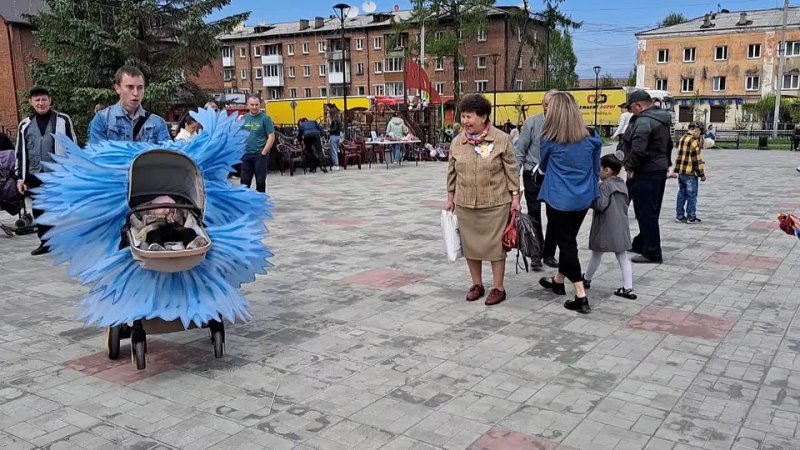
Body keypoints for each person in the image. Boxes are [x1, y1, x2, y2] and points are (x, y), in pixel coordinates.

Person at [444, 94, 520, 306]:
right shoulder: (458, 142)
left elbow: (512, 171)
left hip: (495, 203)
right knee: (471, 247)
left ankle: (498, 287)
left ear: (484, 116)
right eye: (463, 116)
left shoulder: (501, 139)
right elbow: (451, 173)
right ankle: (476, 284)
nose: (465, 121)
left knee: (496, 248)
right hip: (467, 203)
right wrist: (450, 198)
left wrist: (516, 198)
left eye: (469, 117)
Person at [536, 91, 601, 315]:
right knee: (568, 238)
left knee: (567, 244)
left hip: (558, 197)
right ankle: (557, 281)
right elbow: (595, 170)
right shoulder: (592, 137)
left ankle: (581, 295)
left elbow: (543, 167)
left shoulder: (549, 139)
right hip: (583, 197)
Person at [15, 86, 78, 255]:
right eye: (37, 100)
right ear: (31, 102)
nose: (40, 103)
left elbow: (72, 146)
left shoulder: (62, 120)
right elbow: (20, 152)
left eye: (44, 99)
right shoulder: (25, 125)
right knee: (39, 210)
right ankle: (46, 243)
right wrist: (20, 178)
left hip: (58, 173)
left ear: (50, 100)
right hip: (35, 174)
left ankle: (65, 243)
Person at [619, 90, 673, 264]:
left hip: (645, 170)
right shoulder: (662, 119)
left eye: (631, 108)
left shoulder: (643, 121)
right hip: (658, 168)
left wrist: (630, 168)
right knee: (651, 210)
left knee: (645, 212)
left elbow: (638, 148)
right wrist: (666, 164)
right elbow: (669, 145)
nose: (630, 112)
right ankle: (641, 243)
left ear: (639, 105)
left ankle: (652, 252)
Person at [516, 89, 559, 270]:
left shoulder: (563, 124)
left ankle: (549, 252)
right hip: (532, 174)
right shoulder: (532, 123)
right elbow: (520, 151)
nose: (548, 107)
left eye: (552, 104)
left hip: (554, 176)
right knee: (534, 214)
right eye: (546, 103)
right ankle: (535, 252)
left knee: (555, 215)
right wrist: (514, 181)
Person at [583, 154, 636, 300]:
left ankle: (587, 279)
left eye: (600, 168)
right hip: (621, 225)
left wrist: (591, 197)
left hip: (605, 225)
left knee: (597, 253)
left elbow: (600, 205)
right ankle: (628, 286)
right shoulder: (622, 184)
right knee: (622, 256)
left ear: (607, 170)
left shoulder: (605, 185)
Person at [88, 66, 170, 144]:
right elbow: (98, 157)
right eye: (130, 87)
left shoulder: (158, 123)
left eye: (140, 87)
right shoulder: (102, 120)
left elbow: (167, 156)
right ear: (117, 88)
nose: (136, 93)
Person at [240, 95, 276, 192]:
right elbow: (237, 135)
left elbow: (271, 137)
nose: (254, 107)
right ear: (248, 105)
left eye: (256, 105)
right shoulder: (243, 118)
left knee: (260, 182)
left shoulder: (265, 119)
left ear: (260, 105)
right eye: (252, 105)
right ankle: (244, 204)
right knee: (244, 183)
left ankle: (260, 204)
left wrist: (264, 152)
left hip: (260, 155)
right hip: (246, 155)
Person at [674, 122, 706, 224]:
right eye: (700, 133)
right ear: (696, 130)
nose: (699, 135)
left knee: (681, 193)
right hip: (690, 173)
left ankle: (679, 216)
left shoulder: (682, 138)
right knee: (692, 195)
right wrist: (702, 174)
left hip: (681, 171)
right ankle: (691, 217)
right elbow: (696, 160)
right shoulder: (693, 141)